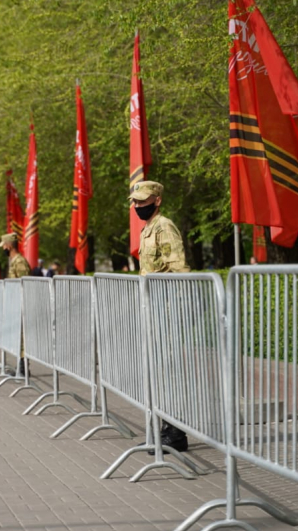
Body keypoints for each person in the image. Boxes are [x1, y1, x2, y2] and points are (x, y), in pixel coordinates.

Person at [130, 179, 190, 454]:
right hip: (154, 311)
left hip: (166, 312)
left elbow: (178, 270)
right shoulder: (147, 230)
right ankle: (166, 429)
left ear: (157, 200)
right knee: (159, 372)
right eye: (136, 201)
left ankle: (175, 433)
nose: (137, 206)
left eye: (142, 201)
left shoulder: (163, 226)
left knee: (168, 372)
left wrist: (174, 310)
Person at [0, 232, 31, 374]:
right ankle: (20, 366)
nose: (3, 248)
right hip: (17, 304)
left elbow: (26, 284)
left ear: (9, 246)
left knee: (23, 337)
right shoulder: (14, 261)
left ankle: (23, 368)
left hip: (23, 304)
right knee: (19, 336)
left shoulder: (19, 262)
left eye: (4, 246)